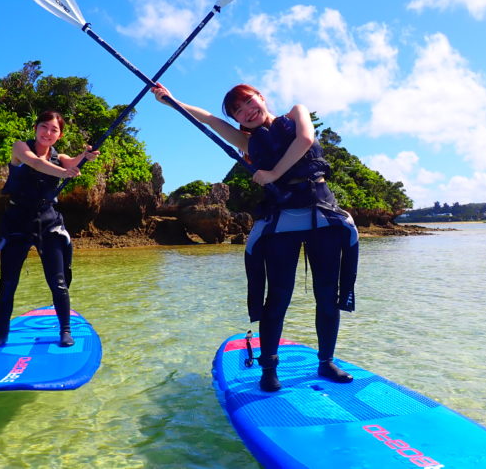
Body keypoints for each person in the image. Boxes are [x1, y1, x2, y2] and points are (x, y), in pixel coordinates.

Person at [151, 83, 359, 392]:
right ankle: (269, 368)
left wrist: (273, 174)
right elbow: (208, 119)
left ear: (261, 97)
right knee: (277, 297)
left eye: (248, 102)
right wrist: (170, 101)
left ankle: (326, 361)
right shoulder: (246, 141)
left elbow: (305, 139)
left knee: (326, 295)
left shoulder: (297, 112)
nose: (246, 111)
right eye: (237, 111)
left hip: (322, 216)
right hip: (282, 221)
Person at [0, 110, 99, 348]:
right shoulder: (19, 148)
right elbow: (37, 163)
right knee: (7, 282)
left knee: (57, 281)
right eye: (44, 127)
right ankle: (2, 333)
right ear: (35, 128)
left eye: (54, 130)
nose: (48, 133)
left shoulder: (61, 157)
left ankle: (65, 331)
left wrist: (86, 155)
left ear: (59, 135)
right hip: (17, 220)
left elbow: (73, 162)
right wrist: (64, 173)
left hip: (49, 221)